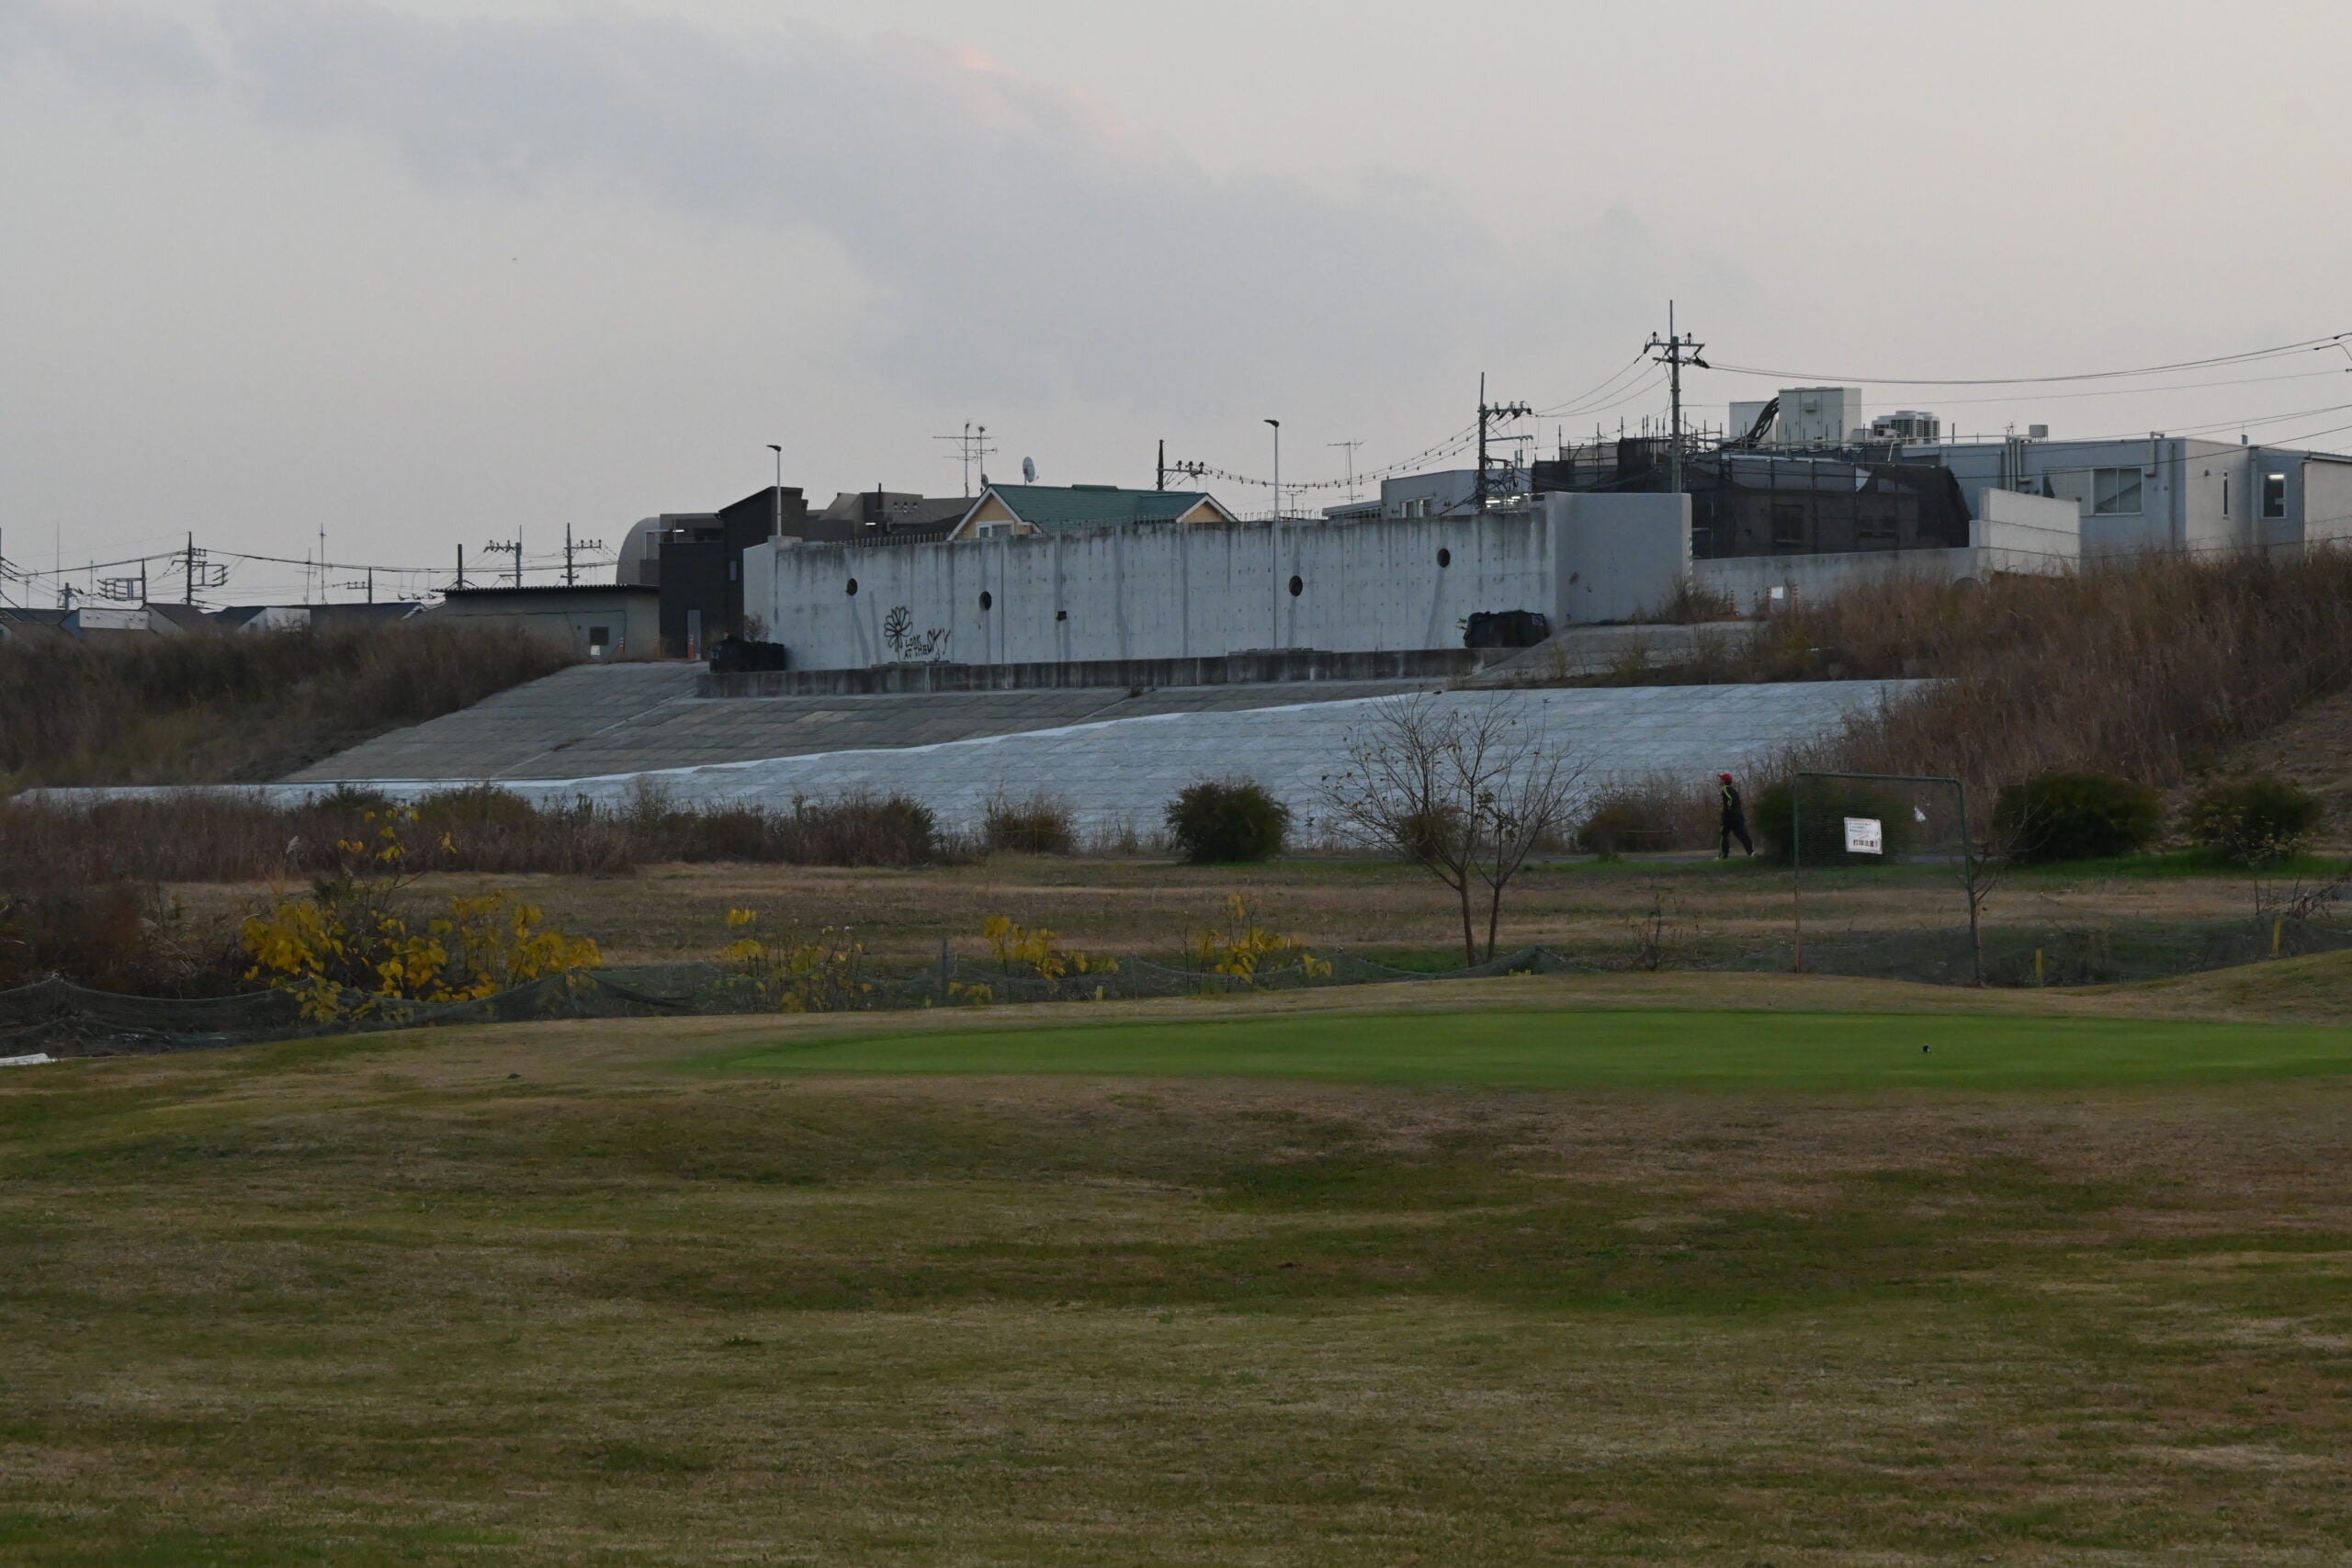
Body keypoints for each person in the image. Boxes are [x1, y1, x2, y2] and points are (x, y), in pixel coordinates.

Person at [1718, 772, 1754, 859]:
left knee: (1724, 834)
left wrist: (1725, 809)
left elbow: (1730, 800)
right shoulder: (1734, 790)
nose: (1720, 780)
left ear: (1724, 781)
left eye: (1721, 779)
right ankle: (1751, 853)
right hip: (1738, 816)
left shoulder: (1725, 789)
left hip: (1729, 817)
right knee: (1743, 835)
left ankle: (1723, 856)